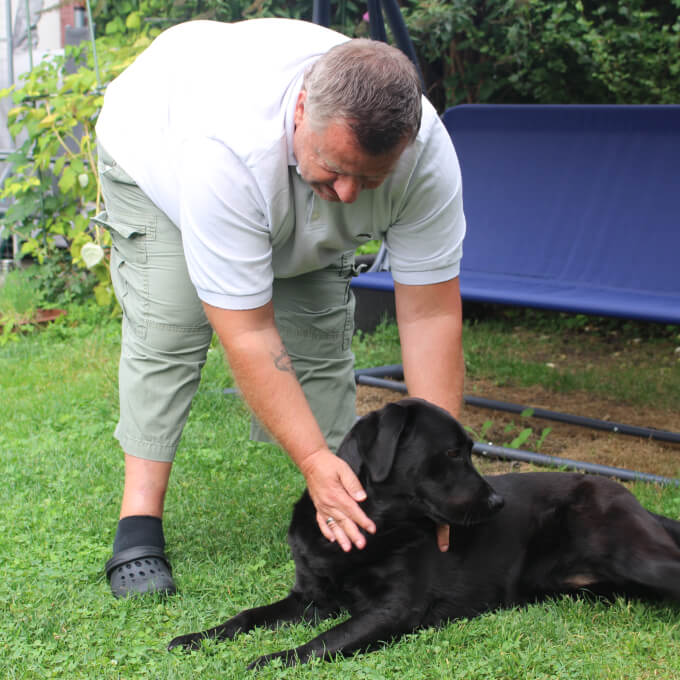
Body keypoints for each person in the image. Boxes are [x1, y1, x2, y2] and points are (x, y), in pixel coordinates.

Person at [95, 17, 466, 598]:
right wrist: (314, 458)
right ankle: (138, 522)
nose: (347, 196)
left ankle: (352, 511)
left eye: (369, 180)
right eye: (337, 170)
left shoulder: (427, 159)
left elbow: (431, 314)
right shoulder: (226, 146)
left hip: (267, 169)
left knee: (318, 337)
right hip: (156, 151)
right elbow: (248, 333)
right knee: (170, 328)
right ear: (300, 114)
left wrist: (441, 472)